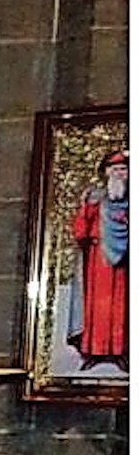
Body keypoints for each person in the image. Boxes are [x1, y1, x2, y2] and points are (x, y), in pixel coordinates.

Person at [67, 149, 128, 368]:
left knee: (120, 308)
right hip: (98, 261)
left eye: (124, 169)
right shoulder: (95, 198)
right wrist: (84, 212)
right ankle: (94, 351)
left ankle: (120, 351)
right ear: (108, 173)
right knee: (98, 308)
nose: (121, 174)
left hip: (123, 263)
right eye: (116, 169)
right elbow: (80, 230)